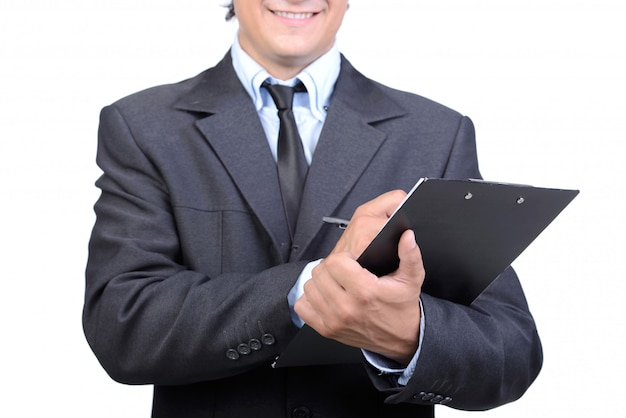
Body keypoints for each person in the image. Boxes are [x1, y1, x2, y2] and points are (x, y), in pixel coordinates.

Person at [83, 1, 543, 417]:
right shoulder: (144, 128)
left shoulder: (436, 134)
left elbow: (511, 352)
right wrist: (307, 288)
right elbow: (121, 326)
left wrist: (410, 334)